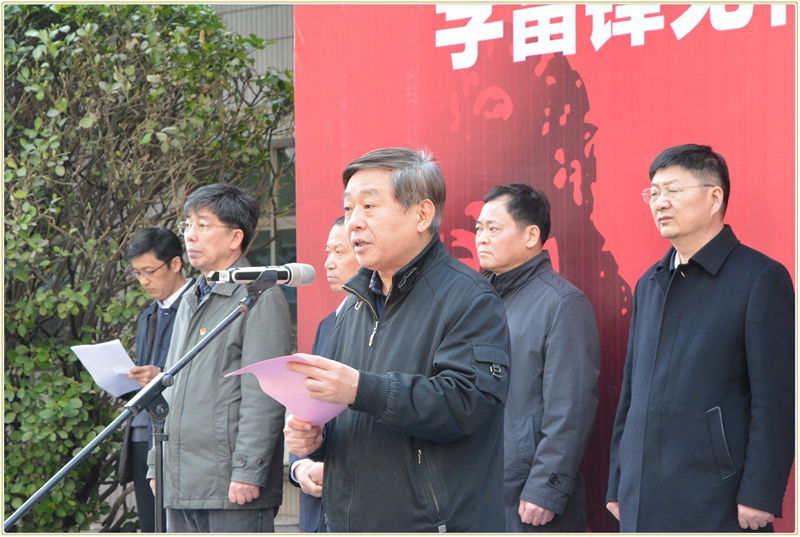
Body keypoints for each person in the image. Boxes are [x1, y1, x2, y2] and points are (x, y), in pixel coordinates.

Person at [284, 147, 511, 532]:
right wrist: (313, 438)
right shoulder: (353, 305)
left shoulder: (469, 298)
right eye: (348, 209)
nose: (354, 222)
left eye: (369, 206)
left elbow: (465, 404)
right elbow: (348, 415)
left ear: (422, 214)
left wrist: (362, 389)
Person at [606, 144, 795, 532]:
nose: (660, 202)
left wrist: (760, 492)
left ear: (714, 198)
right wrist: (618, 481)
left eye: (673, 190)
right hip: (641, 494)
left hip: (715, 495)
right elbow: (631, 394)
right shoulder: (649, 284)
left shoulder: (760, 279)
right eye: (654, 192)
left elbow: (776, 398)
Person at [147, 184, 292, 533]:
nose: (190, 234)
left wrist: (248, 469)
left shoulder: (259, 295)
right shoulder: (190, 298)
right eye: (187, 225)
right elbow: (171, 386)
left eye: (202, 224)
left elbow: (263, 394)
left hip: (230, 484)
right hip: (179, 480)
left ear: (235, 238)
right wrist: (157, 462)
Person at [476, 184, 601, 532]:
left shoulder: (563, 303)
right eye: (479, 228)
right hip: (479, 487)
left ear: (531, 235)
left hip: (527, 495)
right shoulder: (477, 301)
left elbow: (571, 407)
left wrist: (547, 488)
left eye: (493, 228)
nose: (481, 238)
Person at [118, 228, 194, 533]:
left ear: (175, 263)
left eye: (149, 271)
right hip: (140, 432)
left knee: (177, 523)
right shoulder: (147, 315)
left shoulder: (197, 306)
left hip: (177, 433)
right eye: (137, 273)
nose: (143, 281)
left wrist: (161, 376)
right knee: (151, 525)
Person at [288, 216, 360, 533]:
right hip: (322, 502)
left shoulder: (393, 324)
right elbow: (310, 408)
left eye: (339, 252)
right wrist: (301, 464)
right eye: (327, 252)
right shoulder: (328, 324)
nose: (328, 263)